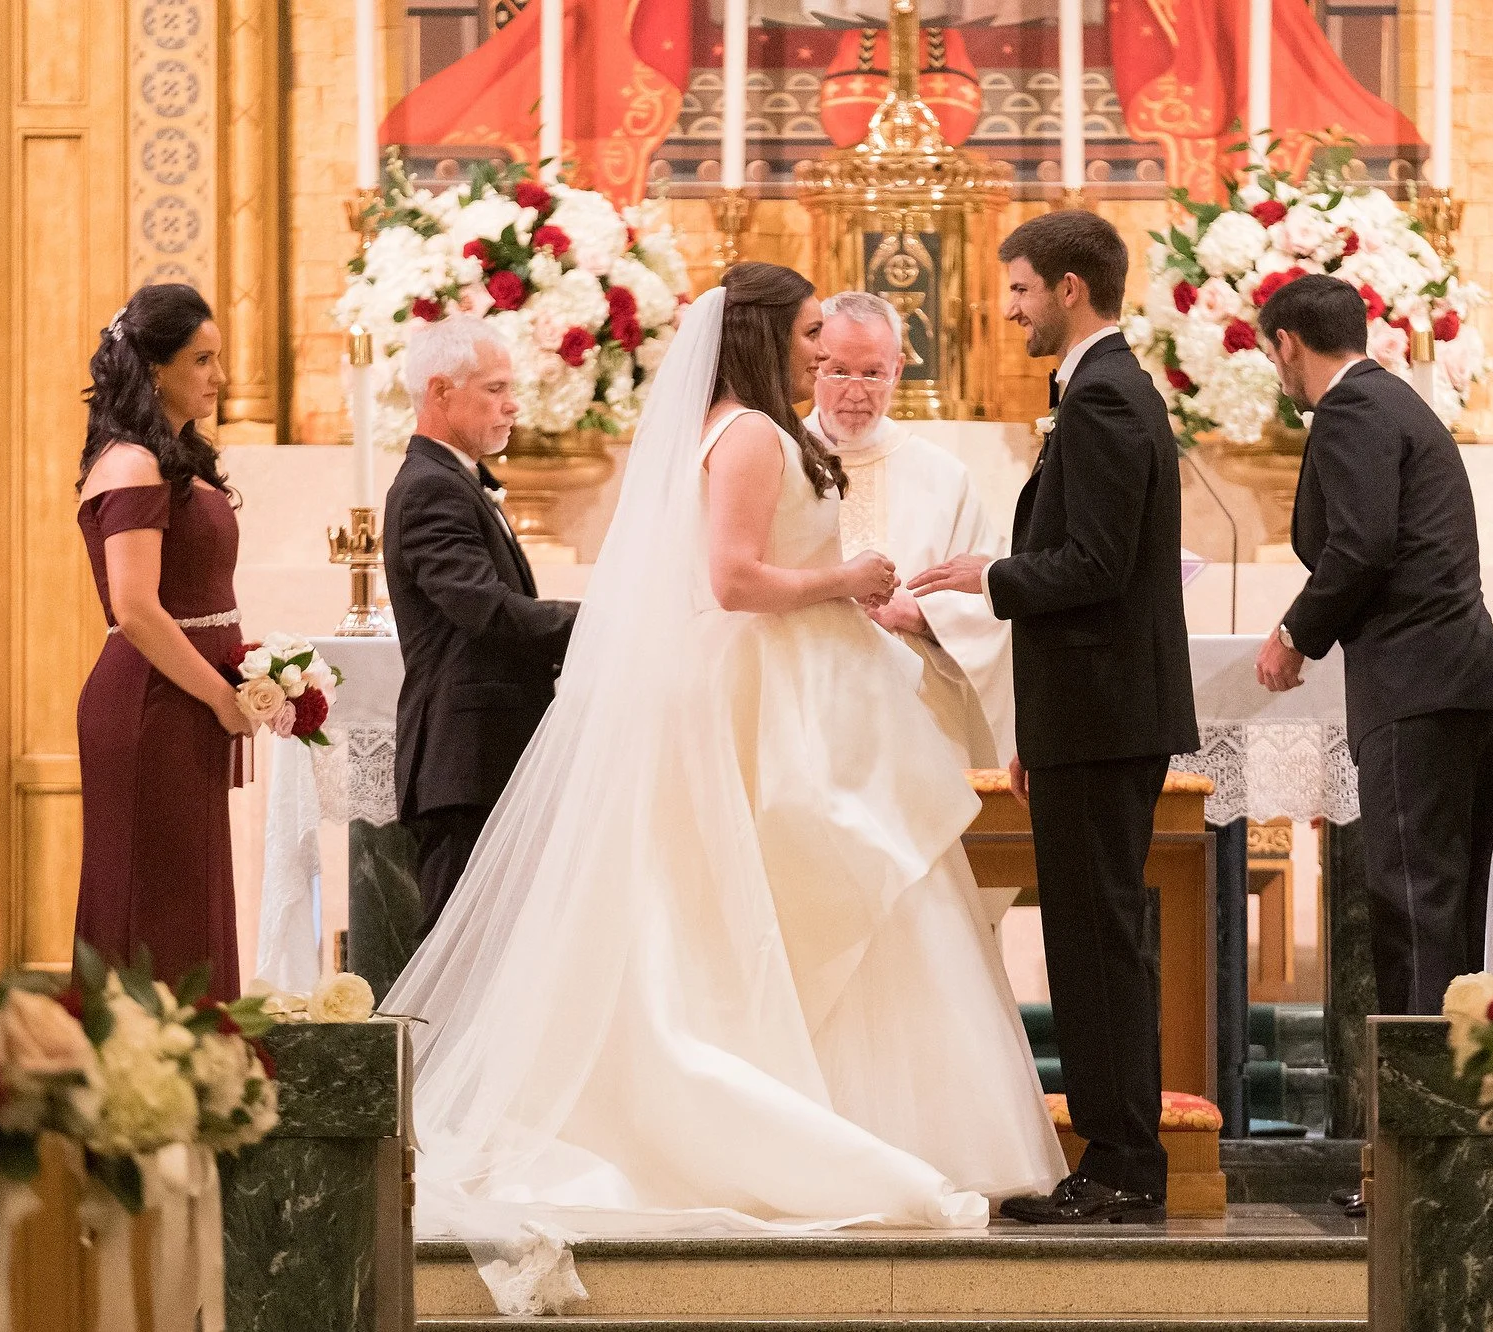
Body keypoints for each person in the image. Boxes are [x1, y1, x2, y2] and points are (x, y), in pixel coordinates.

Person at [382, 264, 1061, 1310]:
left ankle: (839, 1109)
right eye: (803, 335)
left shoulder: (736, 424)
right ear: (756, 333)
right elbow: (732, 580)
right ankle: (802, 1129)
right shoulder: (745, 432)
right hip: (760, 699)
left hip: (784, 694)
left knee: (811, 906)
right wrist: (845, 578)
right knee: (786, 898)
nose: (817, 352)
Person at [912, 211, 1199, 1226]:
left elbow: (1096, 565)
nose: (1011, 307)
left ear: (1070, 288)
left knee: (1094, 937)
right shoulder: (1099, 392)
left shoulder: (1106, 398)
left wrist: (983, 574)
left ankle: (1121, 1161)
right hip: (1086, 714)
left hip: (1104, 711)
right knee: (1087, 934)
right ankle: (1115, 1156)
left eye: (1023, 289)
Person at [1253, 275, 1493, 1019]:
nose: (1278, 373)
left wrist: (1294, 637)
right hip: (1461, 686)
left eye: (1271, 354)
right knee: (1448, 915)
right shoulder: (1396, 401)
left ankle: (1417, 1127)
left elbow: (1362, 546)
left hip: (1418, 689)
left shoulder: (1351, 408)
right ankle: (1450, 1113)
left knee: (1413, 912)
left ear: (1288, 343)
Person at [76, 283, 251, 999]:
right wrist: (220, 695)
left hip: (186, 700)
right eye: (202, 360)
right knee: (155, 899)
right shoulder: (130, 464)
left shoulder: (180, 458)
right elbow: (137, 608)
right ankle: (140, 1076)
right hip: (152, 704)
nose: (219, 376)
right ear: (155, 368)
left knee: (189, 889)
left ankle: (197, 1072)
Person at [382, 316, 575, 943]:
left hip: (488, 754)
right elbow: (485, 611)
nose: (513, 404)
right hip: (463, 762)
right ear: (441, 392)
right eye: (495, 388)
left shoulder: (455, 481)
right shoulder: (430, 490)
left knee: (494, 954)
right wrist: (601, 620)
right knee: (458, 957)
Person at [806, 290, 1014, 767]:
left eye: (873, 373)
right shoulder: (777, 458)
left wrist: (920, 616)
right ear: (814, 364)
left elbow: (989, 595)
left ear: (897, 371)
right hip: (804, 703)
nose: (855, 392)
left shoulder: (943, 477)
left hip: (917, 721)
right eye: (838, 371)